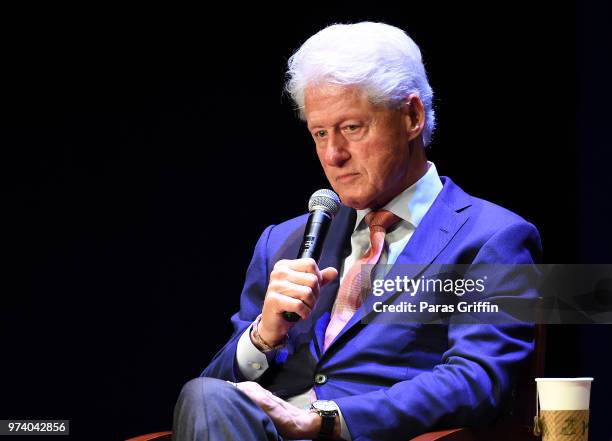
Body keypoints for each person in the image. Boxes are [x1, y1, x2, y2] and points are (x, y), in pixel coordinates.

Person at [172, 21, 542, 441]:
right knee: (203, 394)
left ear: (412, 116)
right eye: (320, 133)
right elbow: (209, 405)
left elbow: (476, 382)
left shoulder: (492, 238)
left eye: (352, 128)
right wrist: (262, 337)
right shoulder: (283, 242)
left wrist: (326, 419)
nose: (334, 155)